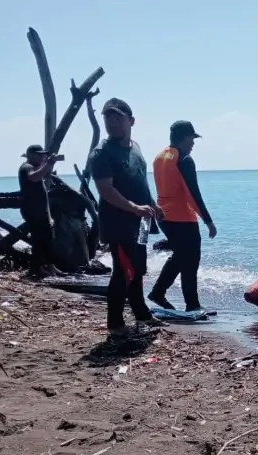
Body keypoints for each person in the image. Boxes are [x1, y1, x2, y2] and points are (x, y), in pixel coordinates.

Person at [88, 97, 166, 340]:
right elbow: (105, 189)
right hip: (118, 221)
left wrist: (153, 204)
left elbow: (140, 180)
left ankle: (141, 313)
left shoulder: (135, 147)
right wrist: (133, 207)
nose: (112, 122)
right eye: (108, 118)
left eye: (118, 117)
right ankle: (115, 321)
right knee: (123, 271)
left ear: (131, 121)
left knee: (139, 268)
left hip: (141, 221)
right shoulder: (102, 153)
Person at [148, 120, 217, 312]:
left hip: (163, 217)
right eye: (192, 138)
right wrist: (208, 221)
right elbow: (192, 193)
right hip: (182, 218)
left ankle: (158, 293)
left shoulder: (160, 157)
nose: (193, 143)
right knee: (191, 260)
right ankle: (192, 306)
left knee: (180, 256)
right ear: (184, 137)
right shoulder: (184, 159)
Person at [18, 145, 62, 277]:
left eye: (43, 155)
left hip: (40, 211)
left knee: (46, 239)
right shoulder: (26, 167)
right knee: (39, 240)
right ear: (30, 155)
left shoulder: (34, 167)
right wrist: (48, 164)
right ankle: (36, 268)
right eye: (39, 154)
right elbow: (34, 177)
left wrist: (46, 164)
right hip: (33, 211)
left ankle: (50, 266)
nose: (42, 157)